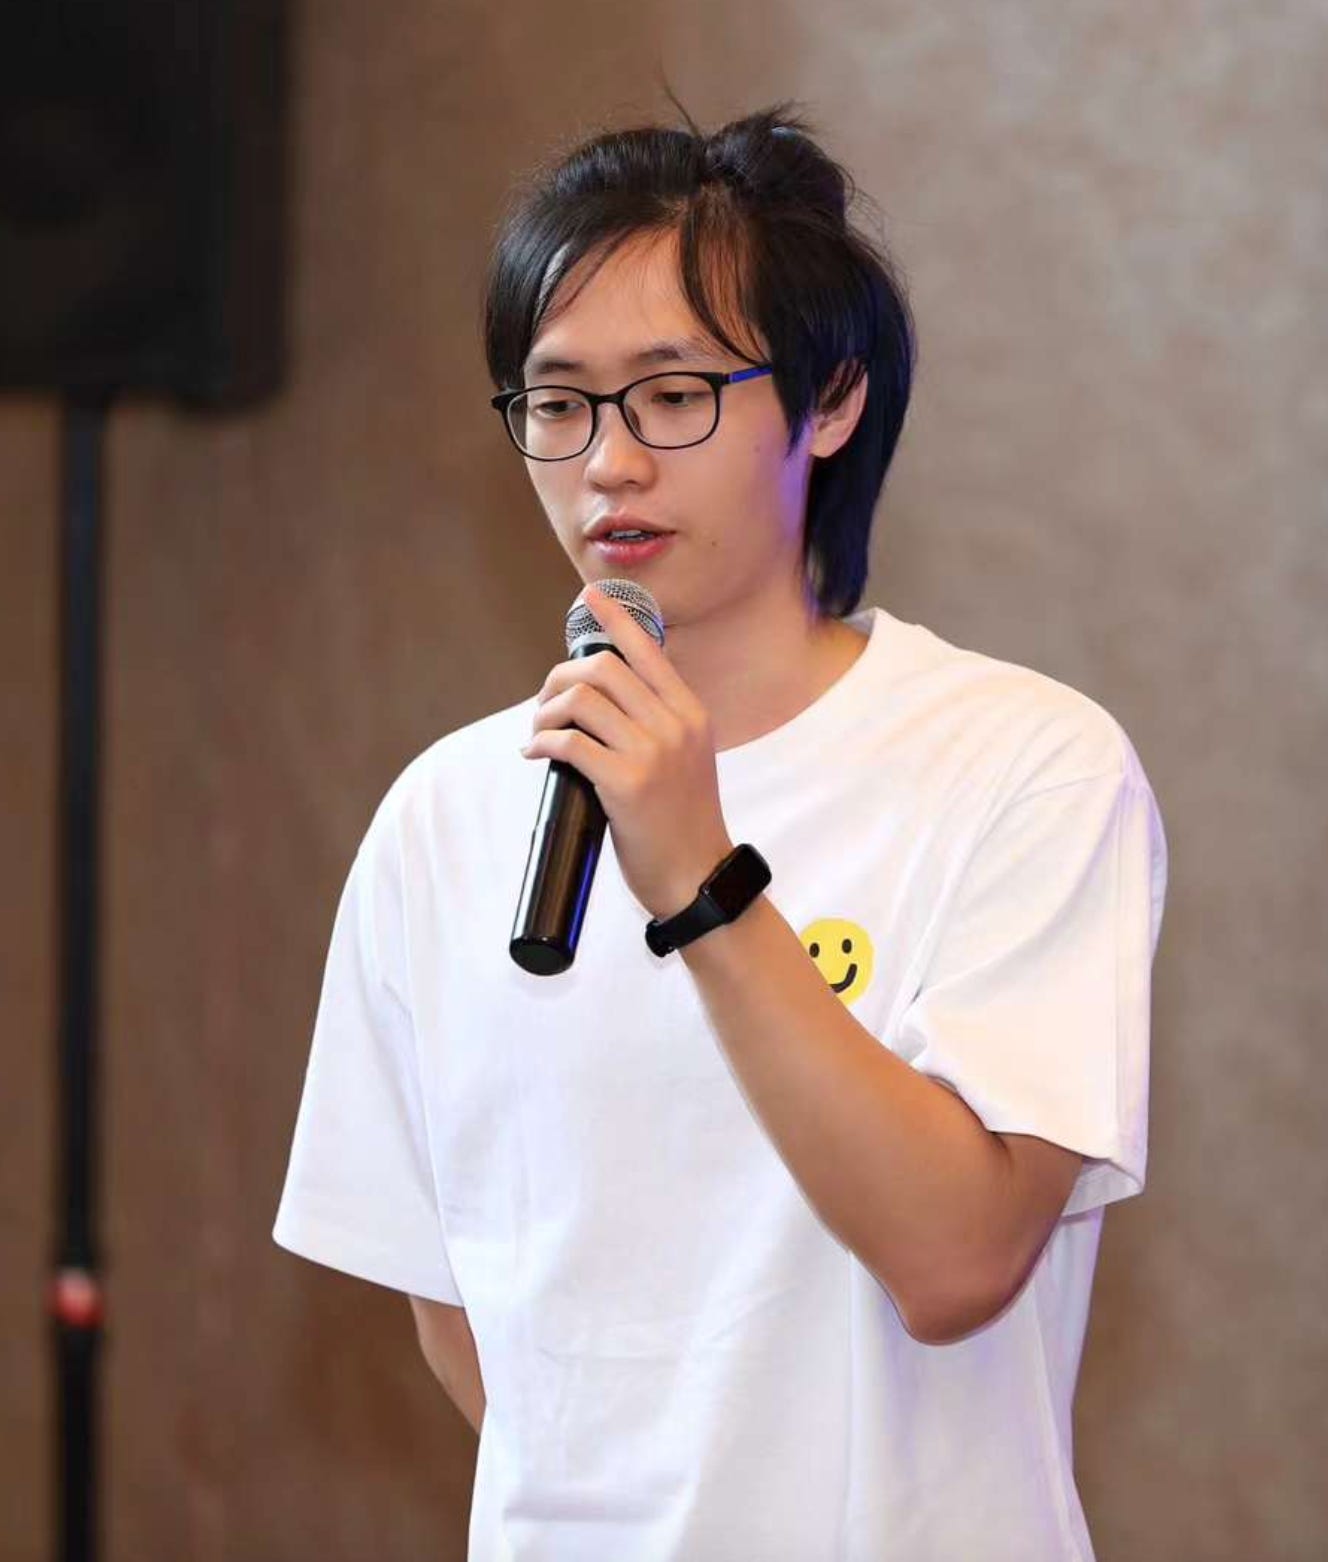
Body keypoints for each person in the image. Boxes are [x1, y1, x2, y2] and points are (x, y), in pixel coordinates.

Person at [273, 102, 1169, 1562]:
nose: (609, 463)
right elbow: (463, 1312)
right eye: (557, 403)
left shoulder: (1023, 768)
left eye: (673, 393)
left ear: (831, 401)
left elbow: (958, 1259)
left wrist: (700, 874)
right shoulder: (444, 815)